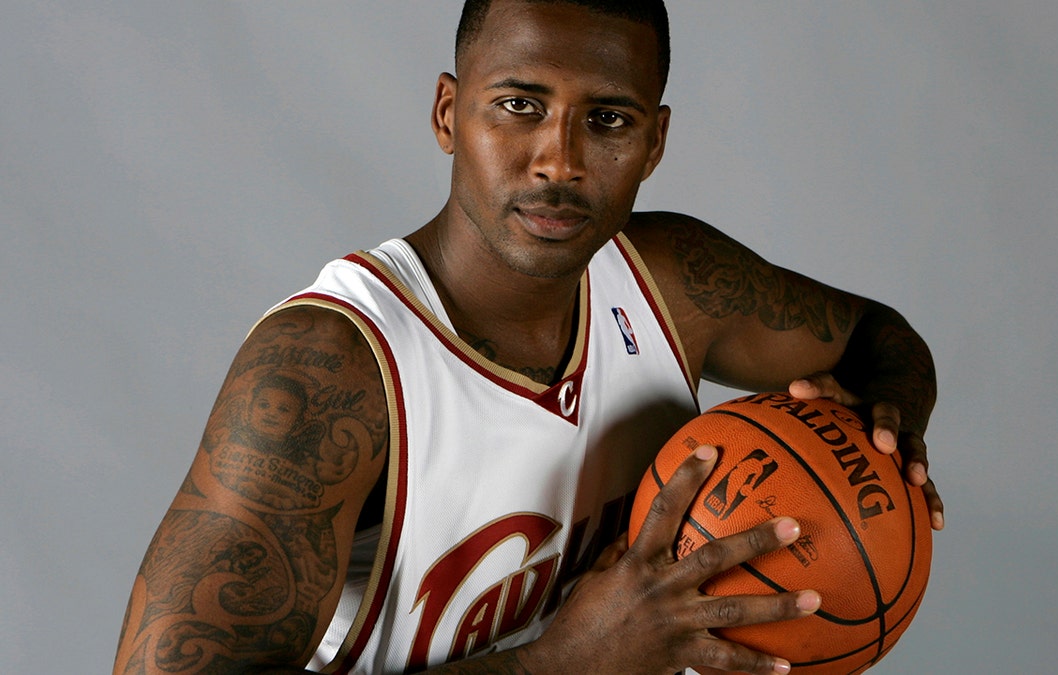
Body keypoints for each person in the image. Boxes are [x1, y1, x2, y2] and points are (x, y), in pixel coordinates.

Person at [112, 1, 943, 674]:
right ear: (447, 113)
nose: (559, 159)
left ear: (654, 143)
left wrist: (890, 419)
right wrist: (557, 663)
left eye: (608, 120)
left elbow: (878, 338)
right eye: (519, 105)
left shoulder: (673, 279)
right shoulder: (332, 372)